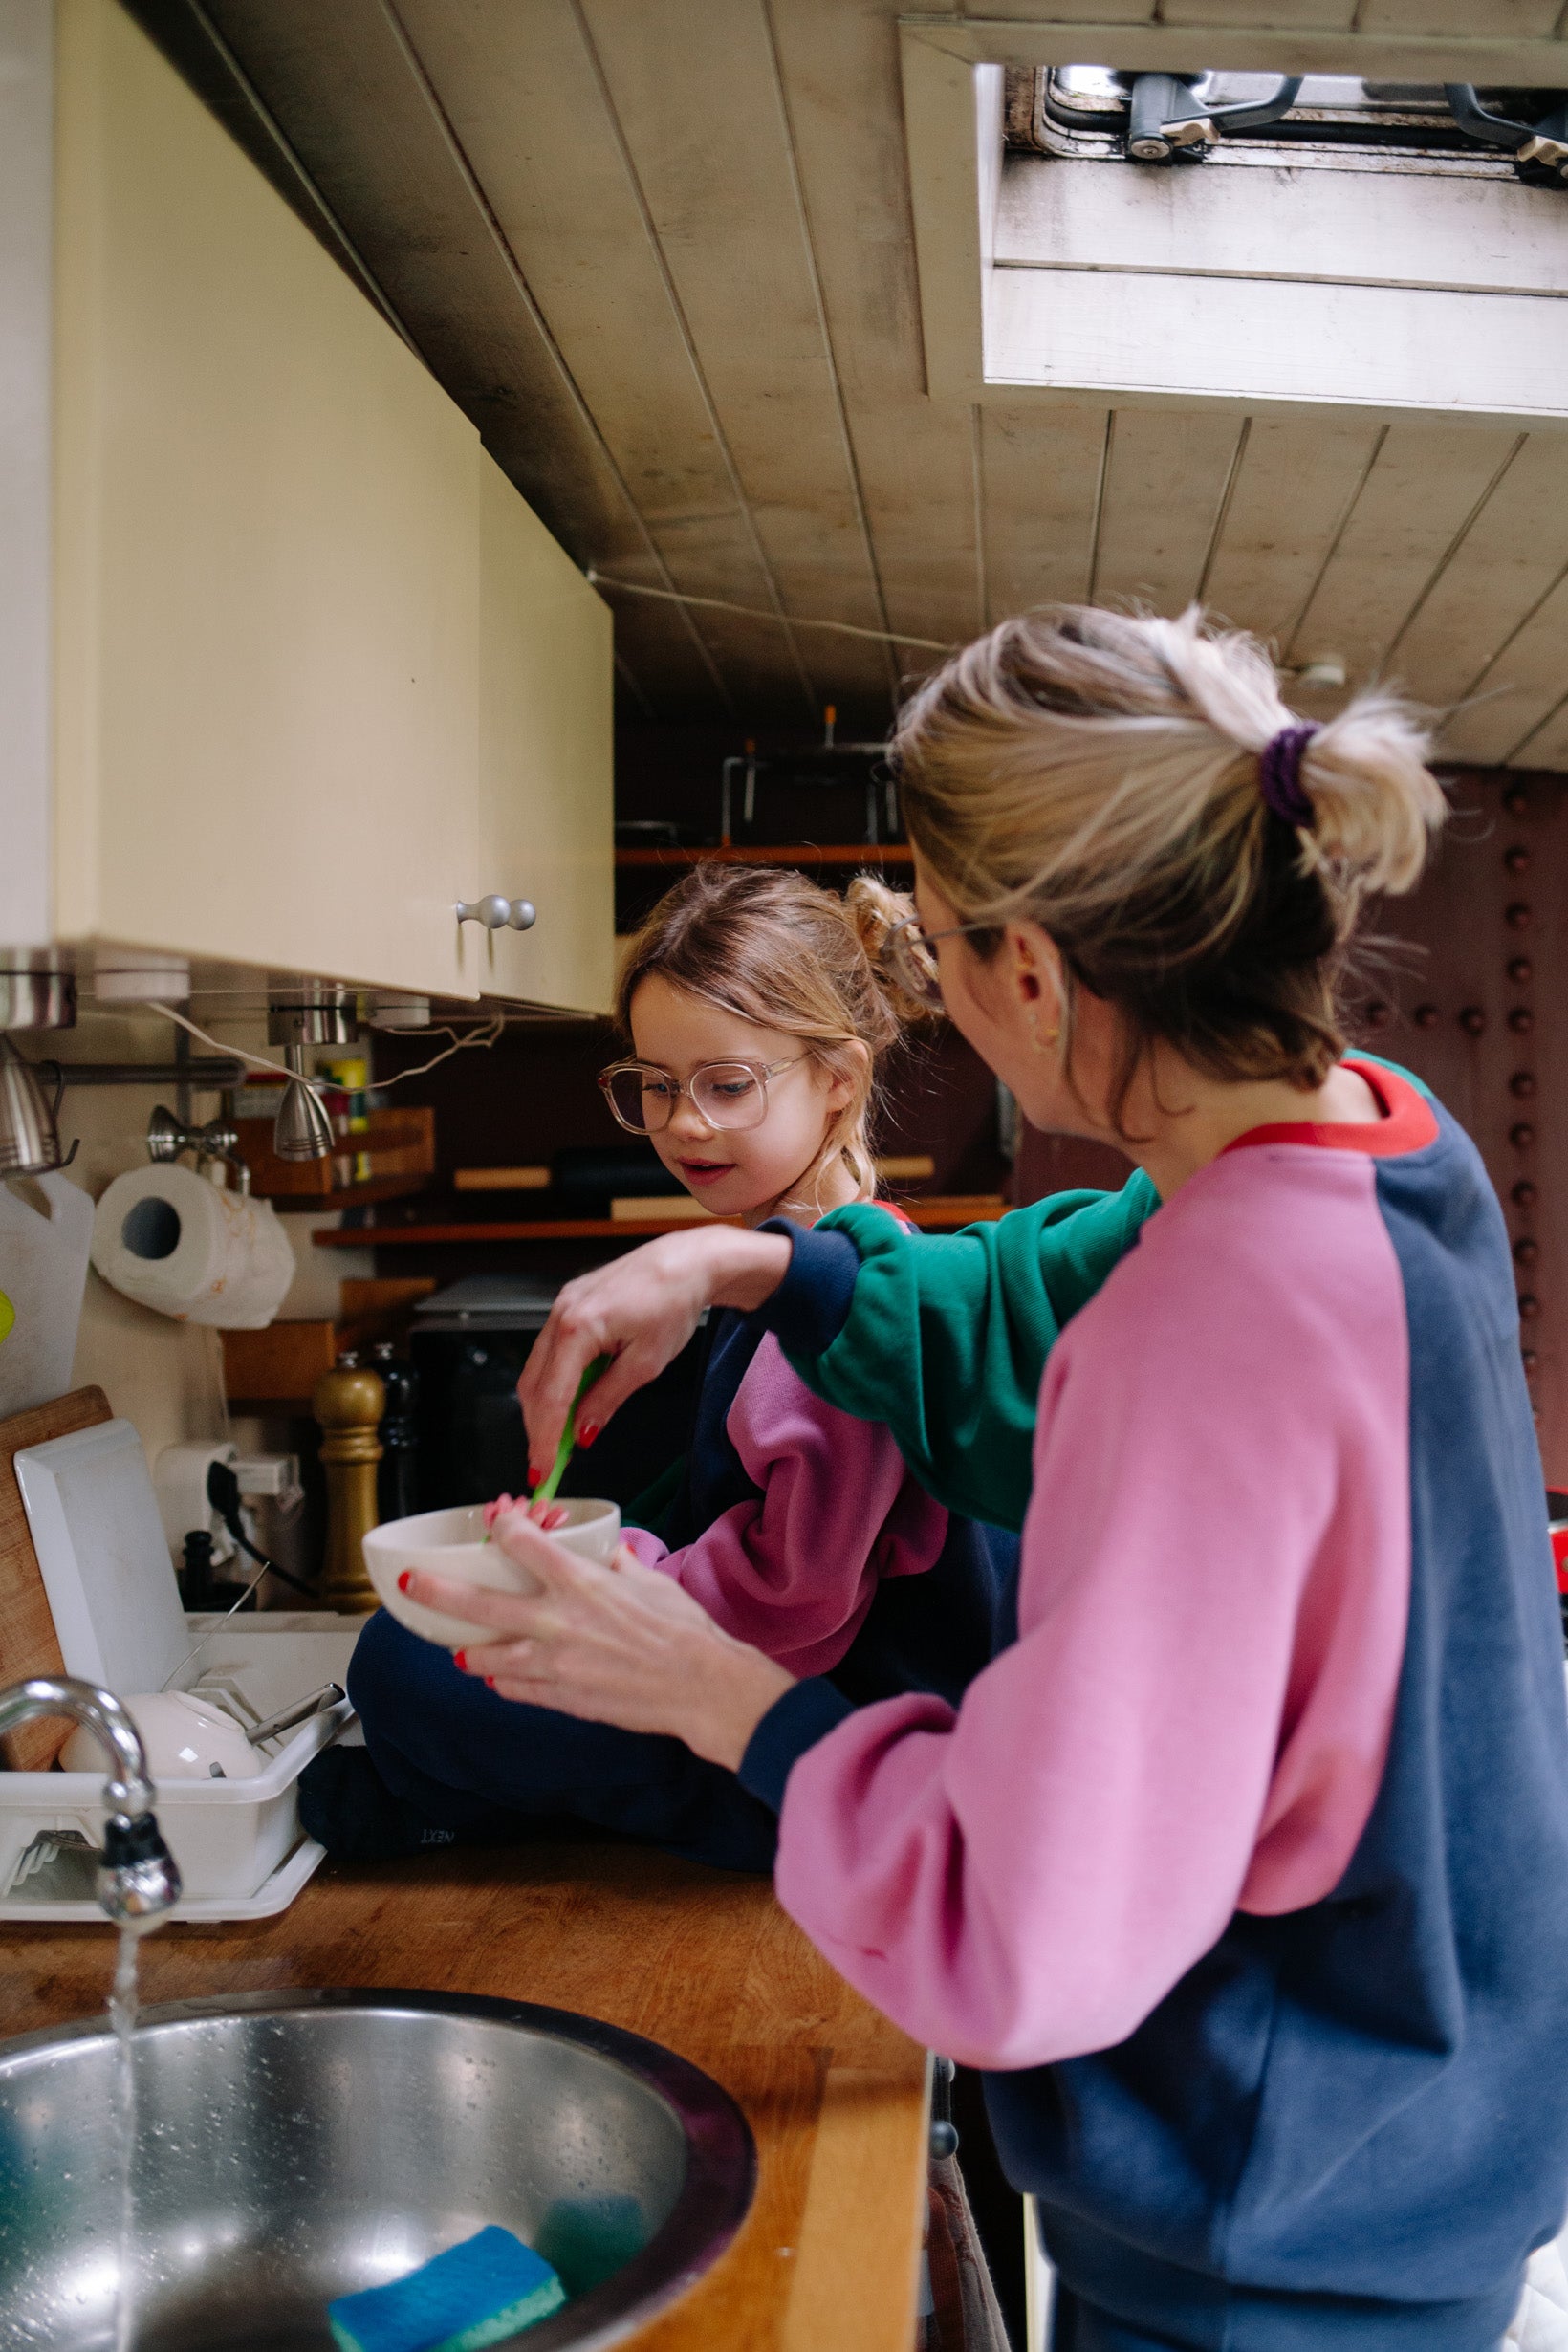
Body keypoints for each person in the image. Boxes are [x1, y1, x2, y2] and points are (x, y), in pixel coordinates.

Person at [402, 605, 1568, 2351]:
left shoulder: (1207, 1333)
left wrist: (715, 1693)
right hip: (1416, 2113)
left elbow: (1017, 1931)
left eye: (939, 943)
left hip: (1270, 2222)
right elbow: (1037, 1295)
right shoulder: (1381, 1136)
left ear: (1028, 971)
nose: (938, 981)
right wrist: (756, 1267)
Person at [307, 864, 1017, 1868]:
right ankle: (432, 1794)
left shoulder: (839, 1303)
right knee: (429, 1667)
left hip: (824, 1727)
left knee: (403, 1666)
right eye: (654, 1084)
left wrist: (610, 1574)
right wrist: (592, 1549)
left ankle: (439, 1801)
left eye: (726, 1084)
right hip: (796, 1681)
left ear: (839, 1079)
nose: (684, 1123)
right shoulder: (791, 1253)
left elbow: (791, 1613)